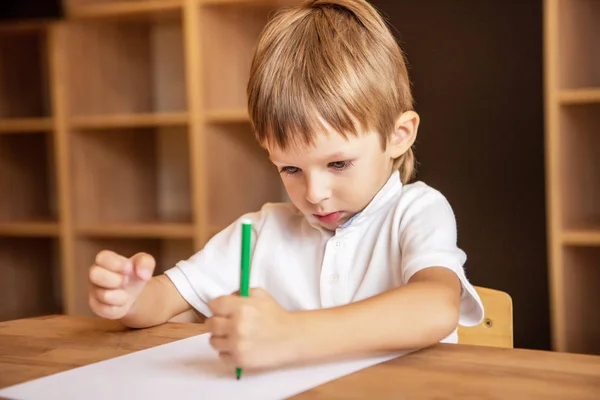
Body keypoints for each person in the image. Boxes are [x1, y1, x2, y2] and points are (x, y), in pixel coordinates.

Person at [88, 0, 484, 372]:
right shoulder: (261, 232)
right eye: (291, 169)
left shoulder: (416, 212)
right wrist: (129, 299)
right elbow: (163, 300)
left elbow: (436, 307)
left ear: (398, 135)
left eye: (339, 163)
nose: (314, 193)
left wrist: (291, 335)